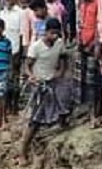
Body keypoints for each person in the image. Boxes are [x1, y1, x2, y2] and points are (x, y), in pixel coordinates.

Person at [21, 17, 70, 161]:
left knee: (62, 108)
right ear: (46, 32)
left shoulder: (59, 44)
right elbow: (27, 66)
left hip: (53, 83)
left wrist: (60, 72)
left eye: (57, 34)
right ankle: (23, 152)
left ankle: (60, 135)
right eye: (52, 33)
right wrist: (31, 77)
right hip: (39, 85)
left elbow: (63, 59)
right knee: (35, 120)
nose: (54, 37)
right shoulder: (36, 47)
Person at [74, 0, 102, 126]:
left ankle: (95, 114)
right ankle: (88, 111)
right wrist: (79, 40)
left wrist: (94, 44)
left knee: (93, 82)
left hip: (93, 46)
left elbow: (98, 25)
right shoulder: (81, 4)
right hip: (82, 45)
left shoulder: (97, 3)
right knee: (83, 81)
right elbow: (80, 24)